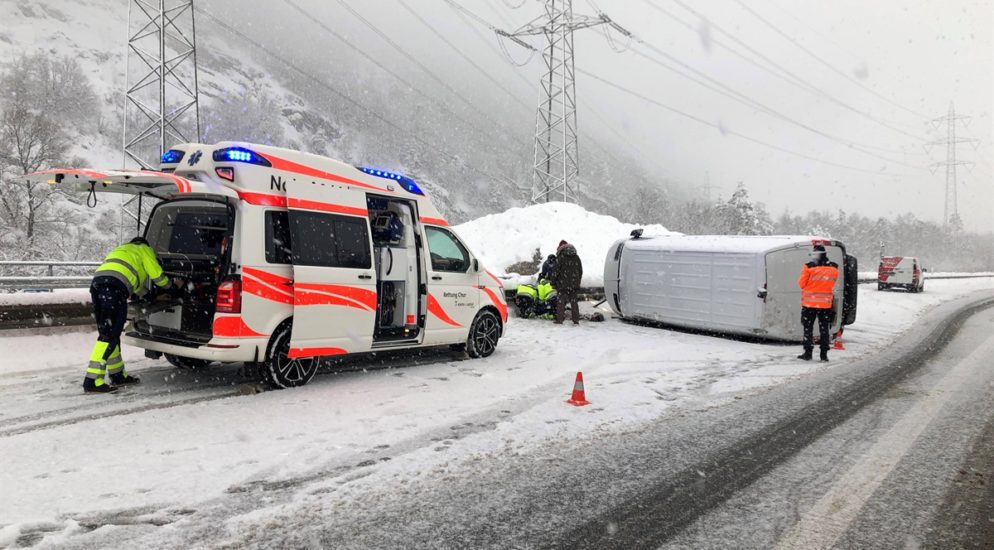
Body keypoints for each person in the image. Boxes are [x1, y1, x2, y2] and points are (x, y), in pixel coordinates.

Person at [84, 237, 178, 393]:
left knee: (109, 332)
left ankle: (117, 374)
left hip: (98, 286)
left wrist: (152, 297)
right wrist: (172, 288)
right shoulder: (144, 249)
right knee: (109, 335)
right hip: (114, 289)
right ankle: (92, 380)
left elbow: (136, 286)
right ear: (144, 245)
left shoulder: (122, 250)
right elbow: (157, 276)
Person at [797, 244, 839, 362]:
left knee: (808, 328)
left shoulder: (808, 267)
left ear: (816, 255)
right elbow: (832, 282)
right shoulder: (834, 267)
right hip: (825, 304)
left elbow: (801, 284)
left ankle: (808, 352)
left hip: (809, 304)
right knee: (824, 329)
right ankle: (823, 354)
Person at [551, 239, 583, 325]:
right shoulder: (576, 257)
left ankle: (560, 320)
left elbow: (555, 271)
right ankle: (576, 320)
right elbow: (580, 271)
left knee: (560, 303)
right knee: (574, 302)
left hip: (562, 284)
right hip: (574, 284)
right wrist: (577, 281)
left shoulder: (560, 257)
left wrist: (553, 282)